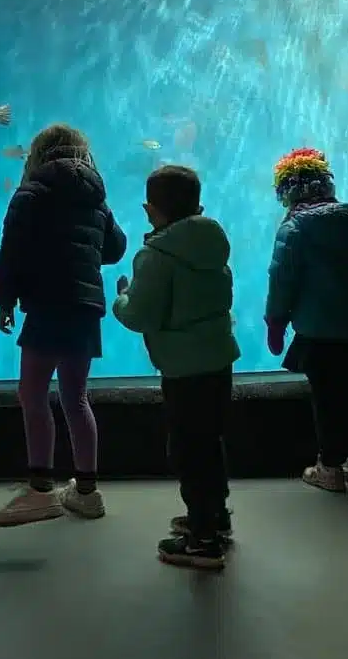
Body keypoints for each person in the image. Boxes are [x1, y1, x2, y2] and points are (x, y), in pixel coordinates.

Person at [0, 123, 127, 527]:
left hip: (47, 303)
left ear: (38, 154)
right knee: (75, 398)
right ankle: (87, 492)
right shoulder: (96, 198)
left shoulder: (30, 193)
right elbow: (115, 247)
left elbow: (11, 250)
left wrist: (5, 299)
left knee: (31, 394)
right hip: (85, 306)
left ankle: (40, 490)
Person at [113, 165, 239, 571]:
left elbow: (142, 315)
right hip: (218, 360)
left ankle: (203, 541)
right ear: (198, 206)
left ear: (150, 210)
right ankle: (214, 516)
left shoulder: (156, 256)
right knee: (210, 441)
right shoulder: (215, 245)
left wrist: (121, 299)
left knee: (188, 449)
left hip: (183, 369)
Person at [265, 147, 348, 493]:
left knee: (326, 400)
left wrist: (276, 321)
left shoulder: (294, 227)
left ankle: (329, 467)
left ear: (286, 191)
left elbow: (281, 278)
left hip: (315, 332)